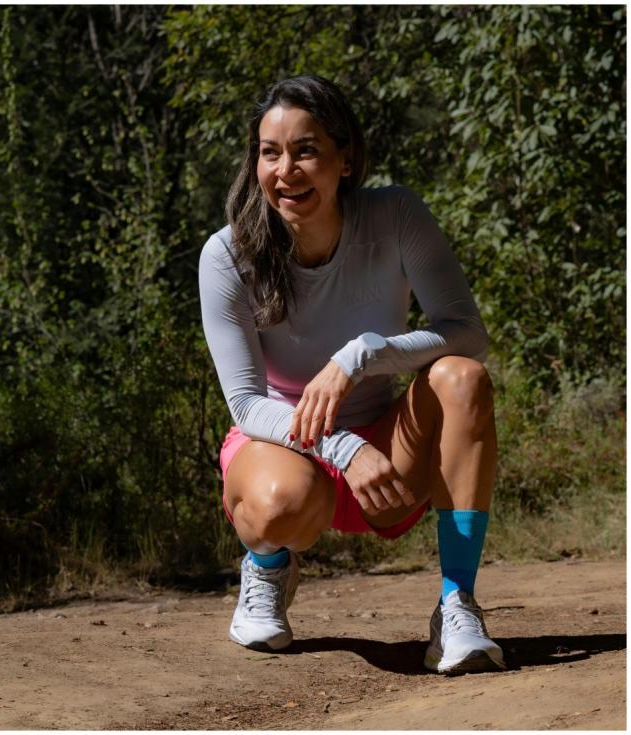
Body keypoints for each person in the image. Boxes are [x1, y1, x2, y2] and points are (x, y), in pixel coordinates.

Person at [198, 75, 505, 674]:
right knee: (282, 500)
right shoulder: (228, 255)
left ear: (345, 159)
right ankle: (267, 567)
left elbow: (468, 330)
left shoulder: (394, 215)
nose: (286, 170)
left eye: (306, 149)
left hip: (388, 461)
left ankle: (457, 606)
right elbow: (244, 402)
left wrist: (363, 353)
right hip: (284, 449)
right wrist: (339, 448)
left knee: (463, 376)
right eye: (270, 152)